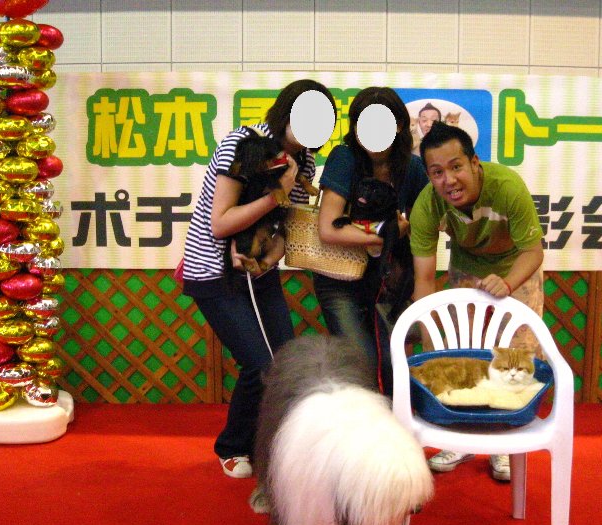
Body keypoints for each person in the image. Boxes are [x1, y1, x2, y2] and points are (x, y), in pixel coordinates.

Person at [181, 79, 337, 478]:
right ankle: (232, 446)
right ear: (286, 113)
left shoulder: (304, 162)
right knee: (259, 364)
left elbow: (288, 225)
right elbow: (220, 223)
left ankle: (272, 443)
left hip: (259, 272)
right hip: (214, 272)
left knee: (284, 361)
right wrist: (276, 192)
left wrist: (270, 255)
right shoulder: (244, 144)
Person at [410, 121, 545, 482]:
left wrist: (508, 282)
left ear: (474, 163)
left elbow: (533, 252)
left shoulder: (507, 187)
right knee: (462, 355)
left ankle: (504, 443)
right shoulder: (427, 205)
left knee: (515, 356)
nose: (449, 180)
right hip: (467, 269)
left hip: (515, 268)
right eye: (437, 172)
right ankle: (460, 438)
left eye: (456, 167)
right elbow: (424, 278)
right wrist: (431, 342)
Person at [314, 86, 428, 395]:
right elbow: (328, 229)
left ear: (399, 125)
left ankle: (392, 421)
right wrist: (384, 234)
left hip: (389, 282)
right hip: (340, 280)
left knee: (394, 364)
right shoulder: (345, 158)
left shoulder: (412, 167)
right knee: (360, 364)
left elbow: (426, 224)